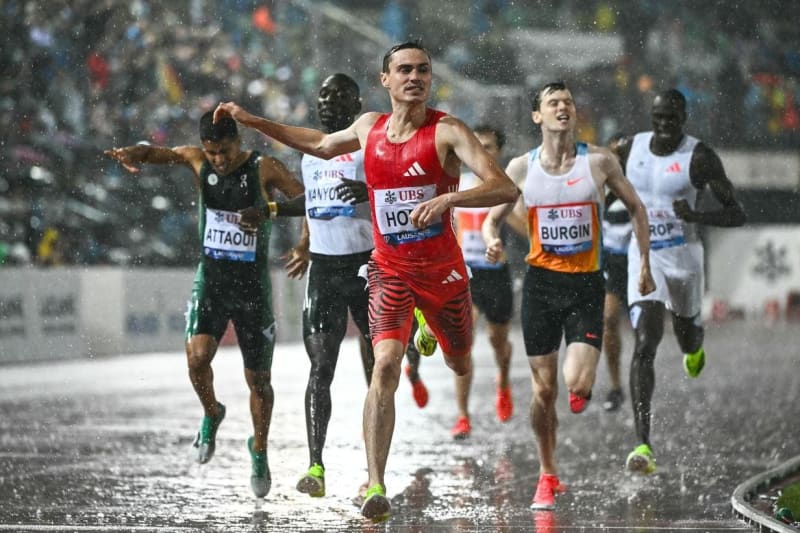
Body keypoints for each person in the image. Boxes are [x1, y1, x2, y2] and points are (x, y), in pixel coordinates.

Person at [214, 40, 519, 521]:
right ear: (386, 79)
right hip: (389, 270)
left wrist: (446, 202)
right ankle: (376, 482)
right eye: (404, 70)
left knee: (461, 363)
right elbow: (315, 143)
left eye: (422, 70)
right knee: (384, 367)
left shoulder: (448, 131)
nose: (414, 77)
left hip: (442, 273)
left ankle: (432, 328)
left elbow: (505, 186)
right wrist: (254, 122)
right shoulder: (368, 128)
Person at [104, 110, 304, 499]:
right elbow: (157, 154)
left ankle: (258, 450)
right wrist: (133, 152)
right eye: (212, 153)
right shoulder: (197, 160)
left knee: (259, 381)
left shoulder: (265, 169)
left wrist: (300, 241)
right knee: (197, 358)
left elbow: (308, 202)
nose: (219, 160)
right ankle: (213, 412)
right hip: (211, 280)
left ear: (238, 142)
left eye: (225, 151)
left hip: (252, 290)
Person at [482, 81, 655, 510]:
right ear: (537, 116)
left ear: (574, 114)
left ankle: (582, 387)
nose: (563, 108)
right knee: (543, 394)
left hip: (584, 286)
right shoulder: (522, 168)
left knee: (575, 384)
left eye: (568, 102)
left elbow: (637, 208)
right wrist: (492, 239)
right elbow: (492, 219)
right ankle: (547, 474)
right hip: (540, 286)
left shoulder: (598, 162)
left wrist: (645, 264)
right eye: (552, 103)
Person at [278, 73, 427, 500]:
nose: (327, 101)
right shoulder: (311, 153)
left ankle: (373, 472)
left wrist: (371, 186)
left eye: (337, 95)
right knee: (320, 368)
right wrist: (298, 236)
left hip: (369, 269)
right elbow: (310, 203)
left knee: (377, 370)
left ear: (356, 102)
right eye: (322, 94)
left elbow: (404, 191)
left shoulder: (373, 143)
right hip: (325, 272)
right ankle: (315, 466)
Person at [613, 89, 746, 475]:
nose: (665, 126)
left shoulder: (699, 157)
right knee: (645, 342)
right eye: (659, 119)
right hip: (646, 258)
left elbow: (737, 213)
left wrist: (696, 214)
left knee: (687, 334)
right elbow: (594, 171)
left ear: (684, 118)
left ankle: (694, 346)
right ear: (651, 118)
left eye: (673, 119)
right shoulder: (627, 148)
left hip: (685, 259)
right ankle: (642, 444)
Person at [448, 125, 526, 439]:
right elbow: (450, 226)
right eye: (477, 145)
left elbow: (524, 228)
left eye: (490, 146)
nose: (483, 151)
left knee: (497, 341)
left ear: (499, 151)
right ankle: (463, 415)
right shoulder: (459, 184)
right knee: (462, 344)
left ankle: (503, 380)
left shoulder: (505, 185)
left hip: (496, 275)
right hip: (466, 275)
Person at [600, 132, 632, 412]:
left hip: (638, 261)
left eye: (622, 154)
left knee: (645, 326)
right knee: (609, 319)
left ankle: (640, 378)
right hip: (612, 261)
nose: (617, 160)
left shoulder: (639, 184)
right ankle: (615, 385)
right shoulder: (600, 184)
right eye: (613, 154)